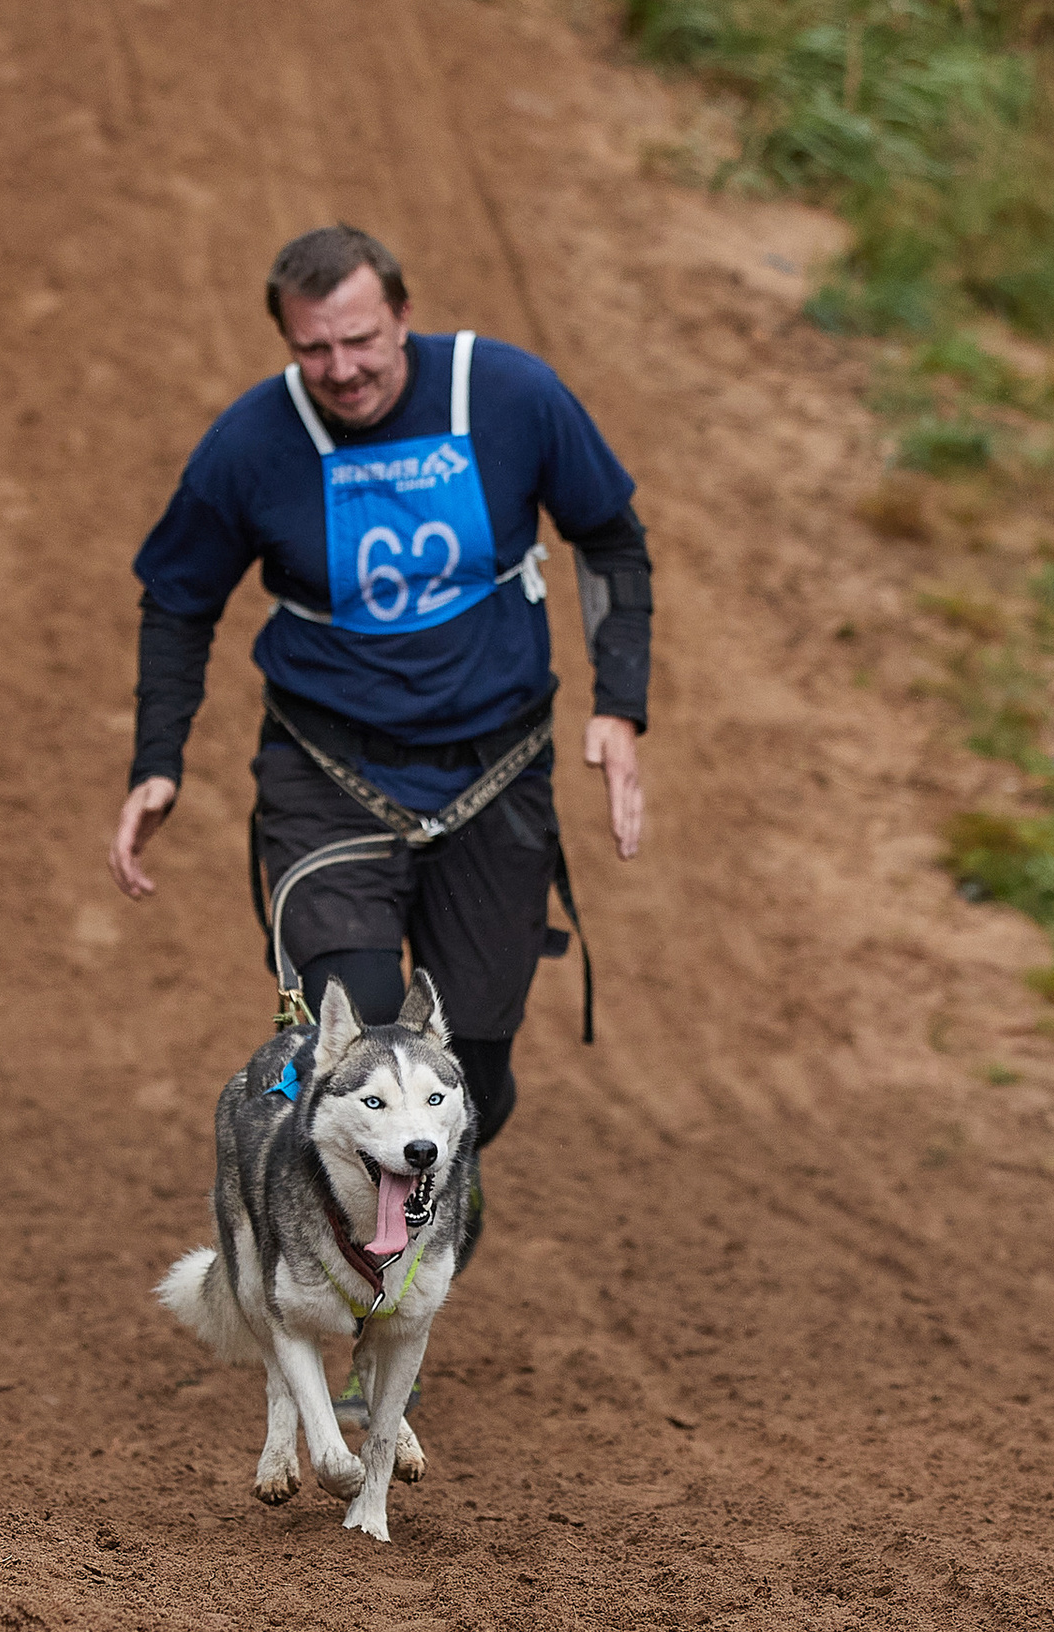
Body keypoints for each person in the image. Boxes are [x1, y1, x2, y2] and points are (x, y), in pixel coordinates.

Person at [108, 223, 652, 1151]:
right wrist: (157, 760)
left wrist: (618, 707)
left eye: (361, 340)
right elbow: (177, 599)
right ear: (288, 344)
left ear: (404, 314)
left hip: (494, 771)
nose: (343, 368)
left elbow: (609, 539)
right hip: (329, 776)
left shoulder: (510, 396)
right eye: (313, 348)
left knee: (465, 1088)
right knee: (352, 1064)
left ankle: (397, 1266)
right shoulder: (250, 444)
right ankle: (341, 1287)